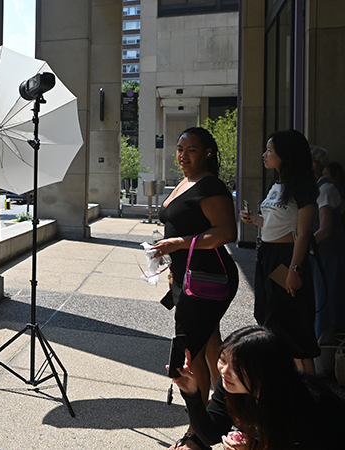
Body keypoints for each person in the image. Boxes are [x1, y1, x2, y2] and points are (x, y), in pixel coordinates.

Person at [151, 127, 238, 450]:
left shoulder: (211, 185)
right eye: (179, 148)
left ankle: (197, 435)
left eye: (191, 149)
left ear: (207, 153)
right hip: (189, 275)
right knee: (209, 342)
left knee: (192, 354)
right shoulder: (185, 183)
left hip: (208, 278)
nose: (183, 155)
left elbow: (226, 232)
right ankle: (226, 411)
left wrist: (179, 244)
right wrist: (172, 262)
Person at [171, 325, 345, 450]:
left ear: (264, 372)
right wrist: (192, 394)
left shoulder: (306, 404)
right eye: (223, 359)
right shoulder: (231, 384)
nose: (224, 370)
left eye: (237, 367)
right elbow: (210, 435)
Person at [240, 130, 320, 374]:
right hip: (268, 255)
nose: (264, 155)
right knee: (269, 315)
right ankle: (293, 383)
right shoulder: (277, 185)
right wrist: (255, 220)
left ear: (286, 155)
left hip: (286, 259)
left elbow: (303, 233)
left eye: (270, 151)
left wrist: (294, 269)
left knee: (288, 321)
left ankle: (308, 389)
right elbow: (276, 222)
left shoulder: (302, 187)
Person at [308, 146, 345, 374]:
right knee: (319, 300)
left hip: (327, 254)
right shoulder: (317, 188)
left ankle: (327, 362)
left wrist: (304, 246)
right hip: (319, 254)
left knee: (327, 301)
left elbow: (326, 229)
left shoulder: (326, 189)